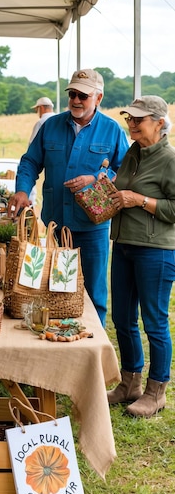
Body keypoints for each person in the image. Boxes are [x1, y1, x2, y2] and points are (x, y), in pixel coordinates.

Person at [8, 69, 129, 326]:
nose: (75, 100)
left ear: (98, 98)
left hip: (92, 227)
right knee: (57, 286)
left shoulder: (112, 130)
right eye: (72, 94)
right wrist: (22, 189)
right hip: (55, 223)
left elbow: (125, 171)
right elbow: (30, 162)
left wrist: (97, 177)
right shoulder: (50, 125)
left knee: (94, 292)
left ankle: (93, 345)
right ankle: (61, 336)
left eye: (82, 96)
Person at [107, 96, 175, 417]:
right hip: (123, 245)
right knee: (122, 318)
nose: (131, 124)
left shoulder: (169, 159)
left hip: (156, 252)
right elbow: (125, 189)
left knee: (155, 323)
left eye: (138, 119)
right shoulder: (132, 153)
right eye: (129, 119)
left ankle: (156, 392)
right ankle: (129, 383)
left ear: (159, 123)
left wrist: (138, 200)